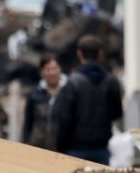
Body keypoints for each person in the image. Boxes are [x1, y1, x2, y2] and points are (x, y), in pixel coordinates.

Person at [50, 34, 123, 165]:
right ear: (100, 54)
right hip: (101, 148)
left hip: (75, 150)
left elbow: (62, 118)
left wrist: (59, 148)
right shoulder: (111, 81)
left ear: (79, 54)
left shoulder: (72, 83)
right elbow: (117, 113)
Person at [23, 54, 66, 150]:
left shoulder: (69, 92)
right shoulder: (35, 93)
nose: (52, 73)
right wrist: (26, 141)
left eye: (54, 68)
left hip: (63, 149)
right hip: (38, 146)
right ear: (41, 72)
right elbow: (28, 121)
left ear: (60, 69)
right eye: (48, 69)